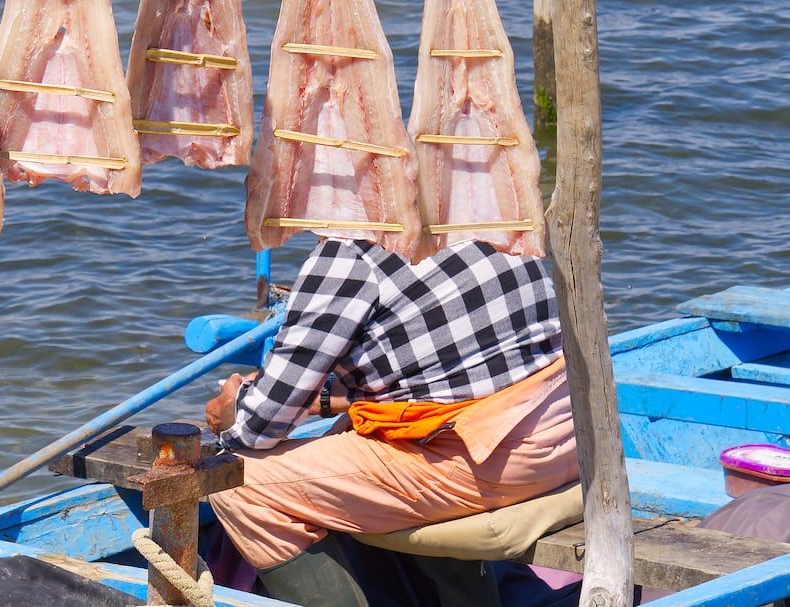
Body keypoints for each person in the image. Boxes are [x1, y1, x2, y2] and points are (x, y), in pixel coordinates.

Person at [202, 236, 578, 607]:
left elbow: (257, 426)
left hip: (490, 462)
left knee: (234, 482)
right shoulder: (486, 219)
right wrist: (323, 400)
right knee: (357, 431)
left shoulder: (349, 255)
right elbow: (445, 370)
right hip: (566, 439)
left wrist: (232, 409)